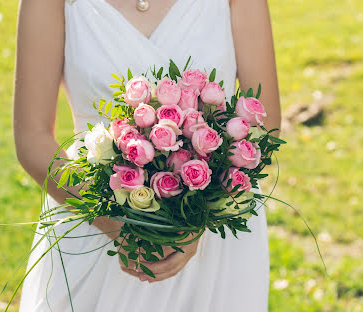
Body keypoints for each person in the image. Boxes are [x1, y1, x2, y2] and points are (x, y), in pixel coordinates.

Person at [14, 0, 281, 311]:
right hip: (94, 223)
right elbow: (32, 138)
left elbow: (265, 125)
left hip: (214, 236)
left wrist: (194, 220)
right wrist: (120, 226)